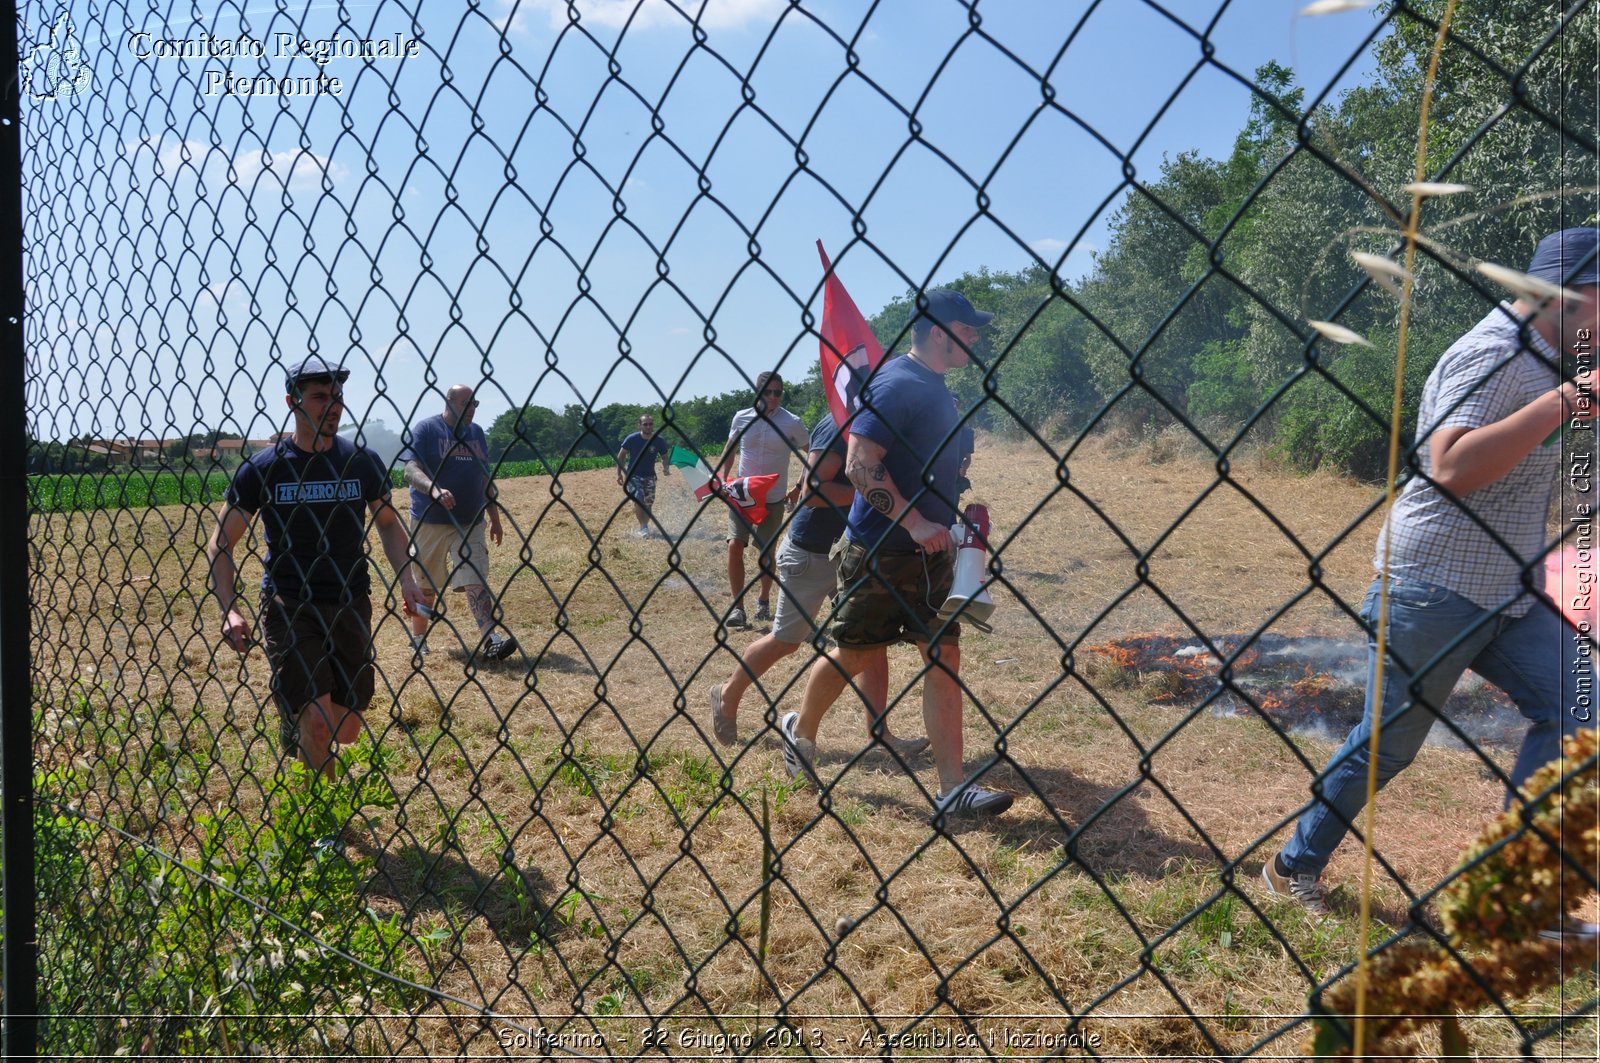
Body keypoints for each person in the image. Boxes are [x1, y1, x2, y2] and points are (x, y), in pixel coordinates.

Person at [1262, 228, 1599, 931]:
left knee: (1578, 712)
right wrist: (1566, 403)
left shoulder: (1554, 356)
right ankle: (1293, 864)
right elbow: (1448, 465)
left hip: (1506, 586)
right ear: (1565, 297)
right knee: (1387, 745)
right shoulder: (1491, 353)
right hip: (1434, 583)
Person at [783, 289, 1014, 817]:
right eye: (968, 329)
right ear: (939, 331)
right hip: (883, 552)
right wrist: (913, 519)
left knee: (944, 653)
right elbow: (861, 465)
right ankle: (801, 728)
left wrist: (956, 509)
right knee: (858, 652)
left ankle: (952, 788)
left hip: (933, 551)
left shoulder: (937, 389)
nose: (975, 338)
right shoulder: (897, 383)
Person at [207, 355, 422, 778]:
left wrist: (408, 580)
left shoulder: (360, 462)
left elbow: (388, 525)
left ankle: (297, 717)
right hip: (289, 603)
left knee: (347, 728)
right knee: (320, 723)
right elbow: (221, 543)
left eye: (337, 396)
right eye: (320, 396)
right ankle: (324, 819)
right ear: (292, 401)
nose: (333, 405)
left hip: (349, 601)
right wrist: (229, 608)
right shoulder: (264, 468)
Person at [708, 411, 929, 759]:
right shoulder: (836, 423)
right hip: (810, 553)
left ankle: (880, 733)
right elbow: (812, 491)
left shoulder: (880, 422)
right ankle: (728, 694)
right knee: (785, 640)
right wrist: (868, 491)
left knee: (871, 640)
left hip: (852, 552)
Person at [401, 384, 518, 661]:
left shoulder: (476, 433)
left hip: (470, 520)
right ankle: (418, 638)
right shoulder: (427, 429)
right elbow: (410, 469)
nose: (472, 409)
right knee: (426, 585)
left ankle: (491, 638)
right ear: (449, 401)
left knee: (475, 577)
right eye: (467, 403)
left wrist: (495, 519)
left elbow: (484, 478)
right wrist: (434, 490)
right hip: (430, 520)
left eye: (475, 403)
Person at [717, 371, 809, 628]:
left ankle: (764, 599)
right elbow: (730, 450)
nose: (772, 397)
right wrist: (721, 477)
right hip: (742, 494)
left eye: (777, 392)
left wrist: (799, 486)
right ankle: (738, 609)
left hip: (773, 497)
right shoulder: (741, 417)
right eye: (767, 391)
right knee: (734, 545)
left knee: (766, 552)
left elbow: (813, 452)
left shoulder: (791, 422)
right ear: (757, 392)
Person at [616, 413, 671, 538]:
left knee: (649, 503)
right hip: (633, 475)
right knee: (639, 497)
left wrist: (666, 468)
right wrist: (619, 473)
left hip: (650, 476)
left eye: (650, 424)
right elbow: (621, 455)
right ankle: (643, 527)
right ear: (640, 425)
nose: (648, 426)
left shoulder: (659, 440)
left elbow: (664, 456)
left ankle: (644, 526)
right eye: (645, 424)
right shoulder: (632, 439)